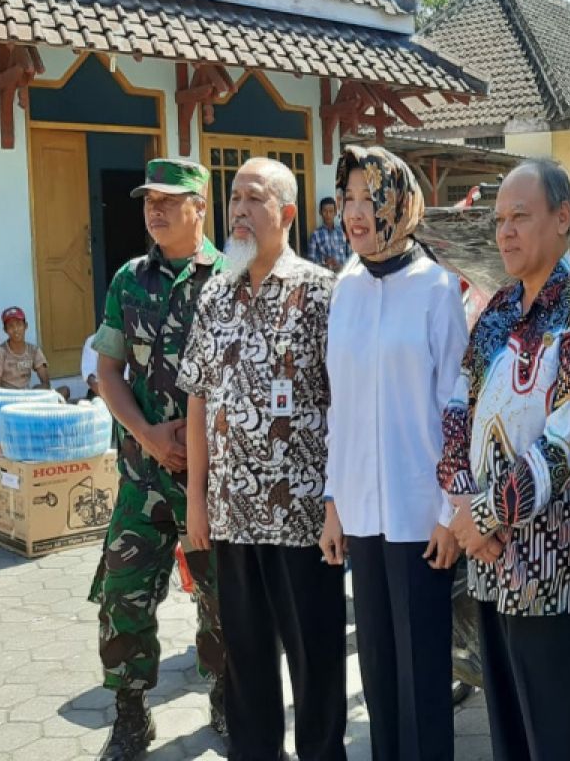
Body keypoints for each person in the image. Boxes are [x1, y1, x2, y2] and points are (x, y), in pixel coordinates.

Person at [437, 159, 570, 761]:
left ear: (563, 218)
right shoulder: (494, 312)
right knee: (510, 736)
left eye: (521, 216)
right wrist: (465, 506)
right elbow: (455, 412)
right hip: (491, 571)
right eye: (499, 220)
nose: (505, 232)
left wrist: (484, 515)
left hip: (553, 576)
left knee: (560, 738)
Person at [179, 158, 345, 761]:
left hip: (303, 520)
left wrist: (336, 505)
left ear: (288, 214)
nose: (239, 210)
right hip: (231, 516)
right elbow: (196, 397)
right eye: (233, 199)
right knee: (246, 664)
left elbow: (347, 407)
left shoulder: (321, 293)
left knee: (317, 660)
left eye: (254, 198)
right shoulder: (215, 295)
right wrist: (196, 499)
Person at [318, 146, 469, 761]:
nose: (354, 213)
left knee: (424, 674)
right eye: (348, 199)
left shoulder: (435, 288)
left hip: (420, 514)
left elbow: (456, 405)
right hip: (361, 511)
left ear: (397, 204)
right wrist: (333, 502)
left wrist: (450, 507)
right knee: (378, 673)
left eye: (367, 198)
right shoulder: (345, 289)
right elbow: (340, 408)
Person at [87, 158, 227, 761]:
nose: (155, 210)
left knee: (223, 597)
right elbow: (107, 371)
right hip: (143, 476)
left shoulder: (231, 279)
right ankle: (129, 715)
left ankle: (228, 693)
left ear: (200, 208)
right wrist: (146, 434)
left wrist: (195, 447)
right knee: (124, 593)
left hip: (215, 480)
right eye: (149, 200)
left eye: (170, 200)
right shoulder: (127, 281)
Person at [0, 307, 52, 390]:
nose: (16, 329)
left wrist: (38, 389)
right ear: (5, 330)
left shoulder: (34, 350)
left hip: (28, 396)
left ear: (26, 326)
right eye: (10, 326)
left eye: (19, 324)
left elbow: (46, 384)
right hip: (8, 399)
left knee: (64, 390)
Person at [308, 195, 351, 271]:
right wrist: (324, 262)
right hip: (325, 276)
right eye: (325, 211)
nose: (328, 214)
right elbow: (311, 262)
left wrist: (342, 266)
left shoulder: (343, 232)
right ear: (320, 212)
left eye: (331, 211)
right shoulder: (315, 235)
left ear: (335, 213)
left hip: (343, 275)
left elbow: (351, 256)